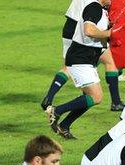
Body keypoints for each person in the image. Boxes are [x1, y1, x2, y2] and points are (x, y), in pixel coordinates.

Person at [41, 0, 125, 115]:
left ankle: (48, 98)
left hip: (71, 25)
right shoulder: (95, 6)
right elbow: (90, 29)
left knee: (69, 66)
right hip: (87, 25)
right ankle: (115, 101)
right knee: (109, 62)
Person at [45, 0, 112, 139]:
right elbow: (89, 30)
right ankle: (56, 110)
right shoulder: (94, 7)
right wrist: (109, 33)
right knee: (96, 97)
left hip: (87, 58)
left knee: (88, 98)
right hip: (80, 58)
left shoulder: (101, 9)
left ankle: (64, 125)